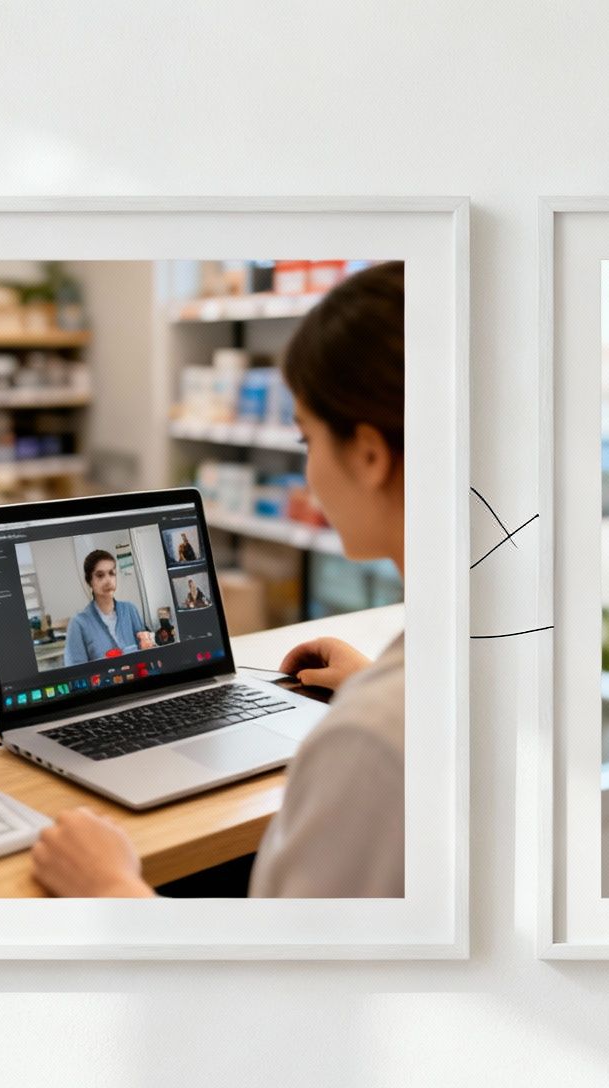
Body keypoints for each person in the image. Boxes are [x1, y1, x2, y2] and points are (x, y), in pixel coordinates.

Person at [31, 261, 406, 898]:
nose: (308, 470)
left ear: (369, 454)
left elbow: (274, 994)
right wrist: (374, 683)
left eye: (306, 438)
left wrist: (109, 888)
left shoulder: (369, 744)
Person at [63, 550, 155, 666]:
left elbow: (146, 653)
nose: (108, 581)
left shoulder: (130, 610)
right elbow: (76, 672)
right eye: (100, 575)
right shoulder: (78, 623)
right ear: (89, 581)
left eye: (111, 573)